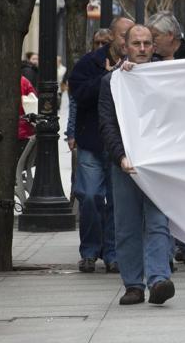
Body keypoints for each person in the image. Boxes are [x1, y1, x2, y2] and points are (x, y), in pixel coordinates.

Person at [99, 24, 175, 305]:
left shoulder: (166, 77)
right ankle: (133, 284)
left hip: (157, 164)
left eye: (146, 43)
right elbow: (107, 123)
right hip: (125, 165)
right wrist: (120, 156)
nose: (142, 49)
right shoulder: (111, 82)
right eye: (136, 44)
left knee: (157, 222)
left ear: (153, 47)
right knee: (127, 225)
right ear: (125, 47)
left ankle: (158, 280)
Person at [67, 17, 134, 274]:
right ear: (114, 37)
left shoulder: (137, 66)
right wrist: (107, 79)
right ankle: (89, 251)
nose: (126, 41)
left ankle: (113, 254)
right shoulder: (90, 63)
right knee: (91, 197)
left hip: (120, 145)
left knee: (117, 203)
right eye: (122, 36)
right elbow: (79, 95)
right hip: (93, 143)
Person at [146, 11, 185, 272]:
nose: (151, 42)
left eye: (154, 36)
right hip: (162, 141)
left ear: (170, 35)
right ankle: (167, 252)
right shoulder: (148, 61)